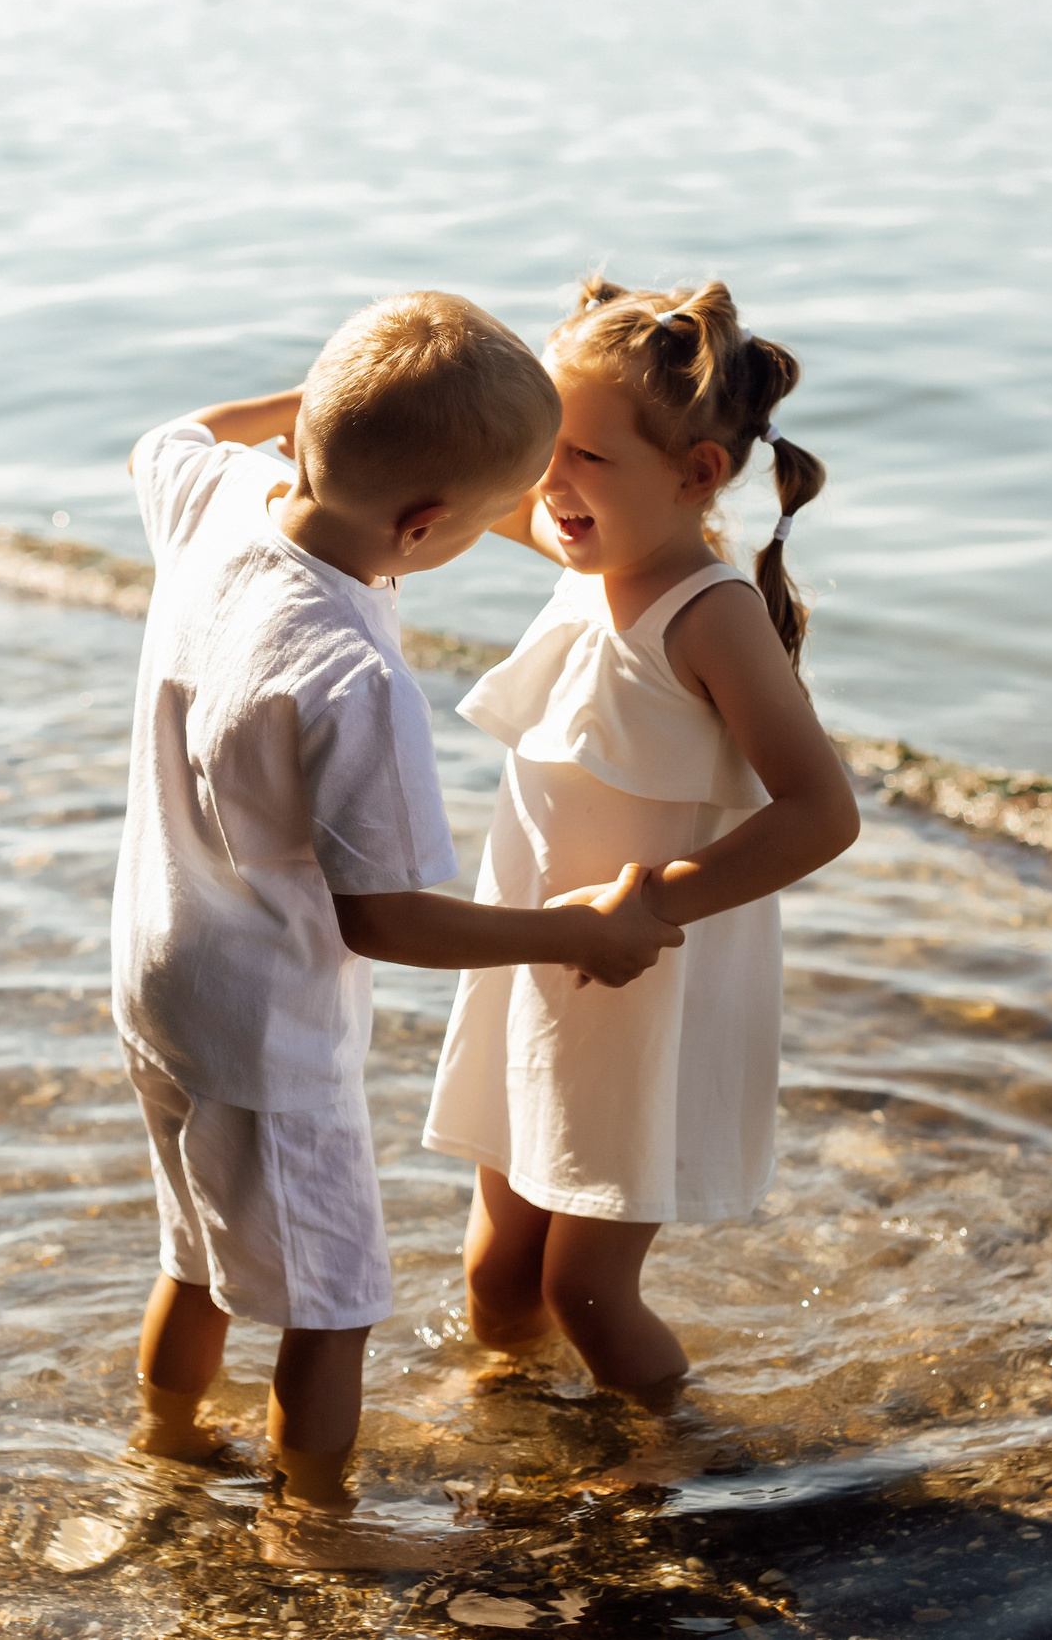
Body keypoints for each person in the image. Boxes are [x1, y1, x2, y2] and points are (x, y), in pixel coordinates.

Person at [115, 291, 684, 1516]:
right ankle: (307, 1524)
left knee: (197, 1254)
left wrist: (326, 401)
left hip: (153, 980)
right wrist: (572, 933)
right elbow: (386, 919)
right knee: (334, 1306)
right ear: (424, 525)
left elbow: (183, 428)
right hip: (266, 1026)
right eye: (493, 521)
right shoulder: (351, 668)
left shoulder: (219, 501)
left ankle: (161, 1447)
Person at [424, 275, 862, 1410]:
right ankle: (510, 1426)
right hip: (536, 964)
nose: (547, 483)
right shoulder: (587, 550)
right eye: (538, 449)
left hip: (643, 979)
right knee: (496, 1266)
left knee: (585, 1287)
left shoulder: (706, 612)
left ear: (697, 474)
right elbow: (435, 485)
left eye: (582, 455)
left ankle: (670, 1460)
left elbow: (822, 811)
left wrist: (658, 902)